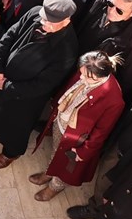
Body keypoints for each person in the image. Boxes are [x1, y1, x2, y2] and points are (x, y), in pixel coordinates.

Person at [0, 0, 79, 168]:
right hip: (4, 77)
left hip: (26, 96)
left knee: (17, 127)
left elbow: (44, 84)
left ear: (67, 20)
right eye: (44, 18)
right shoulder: (35, 13)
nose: (44, 24)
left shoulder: (68, 49)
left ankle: (11, 153)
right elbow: (9, 36)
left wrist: (7, 85)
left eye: (51, 22)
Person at [33, 51, 125, 202]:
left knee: (67, 166)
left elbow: (101, 132)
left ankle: (54, 187)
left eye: (87, 77)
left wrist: (84, 151)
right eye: (81, 72)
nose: (81, 77)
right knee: (56, 151)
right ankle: (49, 172)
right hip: (61, 124)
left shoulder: (114, 100)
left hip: (76, 140)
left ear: (100, 77)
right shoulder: (87, 71)